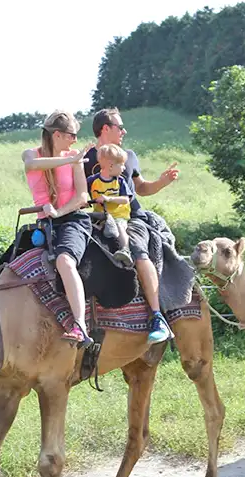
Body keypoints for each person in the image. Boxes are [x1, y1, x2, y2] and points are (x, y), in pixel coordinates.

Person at [85, 108, 179, 344]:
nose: (124, 131)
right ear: (105, 129)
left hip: (130, 218)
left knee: (137, 250)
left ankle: (158, 317)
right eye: (120, 127)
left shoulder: (129, 156)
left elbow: (142, 188)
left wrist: (162, 182)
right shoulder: (85, 159)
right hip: (96, 218)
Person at [22, 110, 95, 347]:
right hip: (44, 224)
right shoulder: (31, 154)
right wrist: (70, 160)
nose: (75, 140)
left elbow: (83, 196)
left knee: (64, 261)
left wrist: (59, 212)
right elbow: (33, 164)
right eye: (71, 135)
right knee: (8, 267)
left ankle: (80, 325)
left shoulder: (74, 157)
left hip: (72, 220)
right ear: (57, 135)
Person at [87, 143, 134, 267]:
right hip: (100, 216)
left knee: (119, 226)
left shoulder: (120, 181)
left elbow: (125, 200)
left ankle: (125, 249)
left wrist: (109, 198)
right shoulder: (92, 181)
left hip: (118, 215)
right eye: (122, 164)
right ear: (111, 165)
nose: (124, 168)